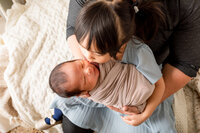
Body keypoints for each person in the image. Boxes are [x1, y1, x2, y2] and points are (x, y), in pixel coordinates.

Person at [51, 0, 200, 132]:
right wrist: (84, 74)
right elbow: (73, 28)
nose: (88, 58)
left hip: (138, 88)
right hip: (99, 85)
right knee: (69, 111)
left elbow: (177, 70)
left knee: (161, 126)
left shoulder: (139, 52)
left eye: (96, 52)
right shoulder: (91, 58)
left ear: (120, 47)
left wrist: (146, 108)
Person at [49, 59, 164, 114]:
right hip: (137, 92)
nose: (88, 70)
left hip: (142, 87)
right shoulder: (94, 93)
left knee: (124, 108)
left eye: (81, 65)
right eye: (84, 79)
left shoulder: (93, 59)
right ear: (83, 93)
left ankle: (59, 110)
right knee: (121, 106)